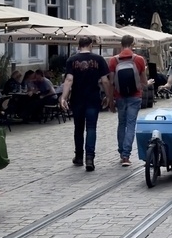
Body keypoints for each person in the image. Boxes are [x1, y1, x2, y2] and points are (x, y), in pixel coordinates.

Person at [60, 34, 111, 171]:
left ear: (79, 45)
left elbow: (69, 80)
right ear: (91, 45)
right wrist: (109, 96)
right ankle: (89, 158)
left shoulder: (71, 60)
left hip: (77, 99)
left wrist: (63, 97)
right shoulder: (99, 59)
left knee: (78, 128)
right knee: (91, 128)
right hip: (93, 98)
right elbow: (105, 81)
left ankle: (78, 156)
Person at [108, 35, 147, 166]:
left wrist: (110, 100)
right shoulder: (139, 59)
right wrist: (149, 83)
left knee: (121, 124)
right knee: (130, 125)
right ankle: (126, 156)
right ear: (132, 44)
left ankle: (121, 152)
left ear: (121, 44)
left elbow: (111, 82)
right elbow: (144, 82)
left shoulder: (113, 60)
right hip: (135, 96)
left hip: (120, 96)